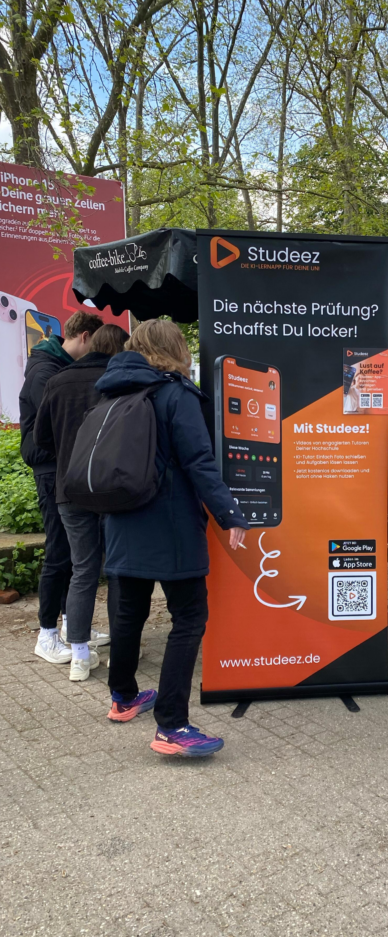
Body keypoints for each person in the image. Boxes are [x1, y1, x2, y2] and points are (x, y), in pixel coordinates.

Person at [96, 319, 249, 757]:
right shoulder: (176, 395)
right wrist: (229, 513)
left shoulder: (113, 393)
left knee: (129, 613)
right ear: (176, 349)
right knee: (189, 618)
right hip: (172, 527)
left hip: (122, 523)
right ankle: (172, 725)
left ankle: (123, 697)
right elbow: (200, 461)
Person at [34, 325, 129, 681]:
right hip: (111, 489)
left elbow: (42, 437)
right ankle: (122, 647)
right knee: (118, 568)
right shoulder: (119, 380)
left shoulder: (57, 380)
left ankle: (78, 655)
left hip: (68, 490)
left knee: (83, 570)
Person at [19, 310, 103, 665]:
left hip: (62, 468)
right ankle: (47, 634)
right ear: (84, 337)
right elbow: (54, 429)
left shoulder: (53, 366)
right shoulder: (46, 372)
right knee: (58, 552)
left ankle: (72, 624)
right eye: (96, 346)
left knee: (73, 552)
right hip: (51, 469)